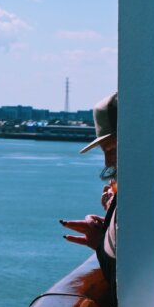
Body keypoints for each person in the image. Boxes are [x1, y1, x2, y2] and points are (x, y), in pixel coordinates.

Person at [61, 93, 117, 292]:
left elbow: (127, 274)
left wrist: (101, 242)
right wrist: (110, 224)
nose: (108, 162)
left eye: (111, 149)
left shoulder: (138, 198)